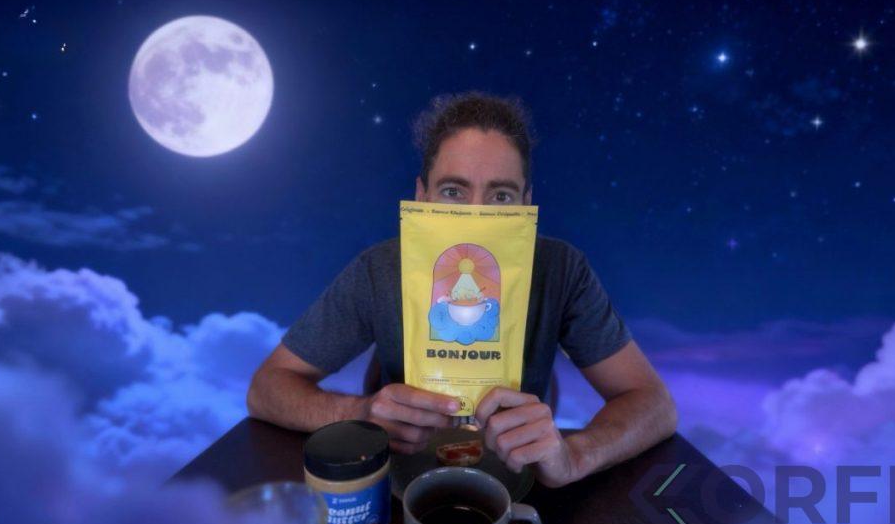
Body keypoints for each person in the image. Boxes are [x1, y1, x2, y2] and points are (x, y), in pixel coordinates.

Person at [248, 92, 677, 488]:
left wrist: (575, 455)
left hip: (515, 482)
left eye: (501, 196)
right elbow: (266, 388)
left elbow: (654, 403)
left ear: (526, 203)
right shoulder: (379, 269)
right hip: (402, 481)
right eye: (453, 191)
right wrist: (358, 414)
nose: (476, 216)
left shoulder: (562, 269)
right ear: (422, 196)